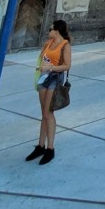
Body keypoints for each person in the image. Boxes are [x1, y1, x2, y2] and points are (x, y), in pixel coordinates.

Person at [25, 20, 72, 165]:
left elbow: (67, 65)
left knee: (48, 114)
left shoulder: (65, 45)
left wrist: (50, 68)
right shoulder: (48, 43)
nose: (48, 31)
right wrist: (41, 68)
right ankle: (40, 146)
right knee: (44, 114)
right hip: (43, 78)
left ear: (57, 30)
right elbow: (41, 59)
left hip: (54, 79)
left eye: (50, 29)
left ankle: (50, 149)